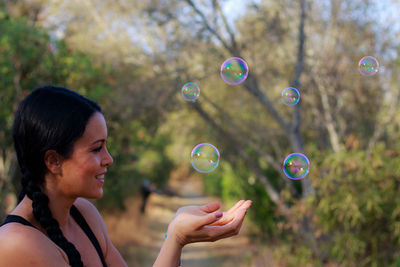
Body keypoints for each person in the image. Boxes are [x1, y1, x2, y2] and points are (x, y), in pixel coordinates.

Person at [0, 85, 252, 267]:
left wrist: (175, 237)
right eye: (96, 148)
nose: (109, 159)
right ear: (53, 161)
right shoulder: (17, 244)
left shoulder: (84, 214)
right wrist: (174, 237)